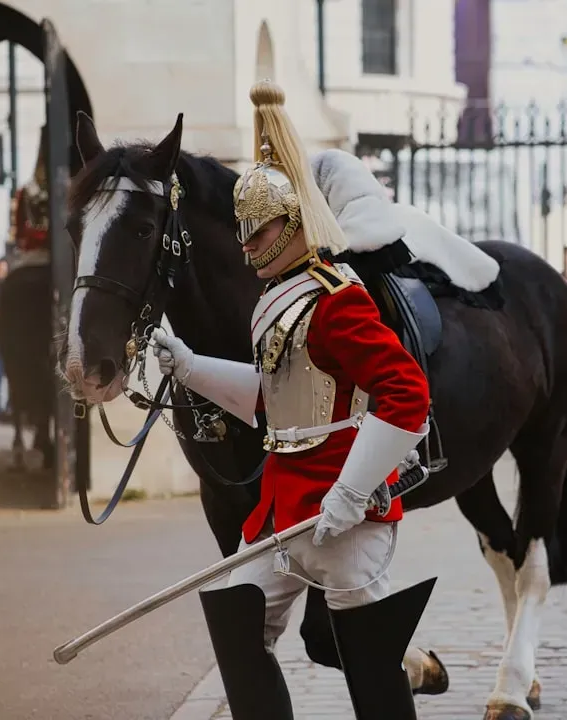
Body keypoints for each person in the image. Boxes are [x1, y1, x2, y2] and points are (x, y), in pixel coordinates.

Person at [150, 80, 433, 719]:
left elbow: (407, 394)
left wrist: (352, 491)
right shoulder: (271, 302)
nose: (246, 242)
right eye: (242, 229)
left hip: (344, 515)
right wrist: (190, 367)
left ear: (296, 222)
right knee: (237, 626)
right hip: (282, 511)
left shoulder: (338, 300)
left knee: (369, 663)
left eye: (260, 229)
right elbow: (272, 401)